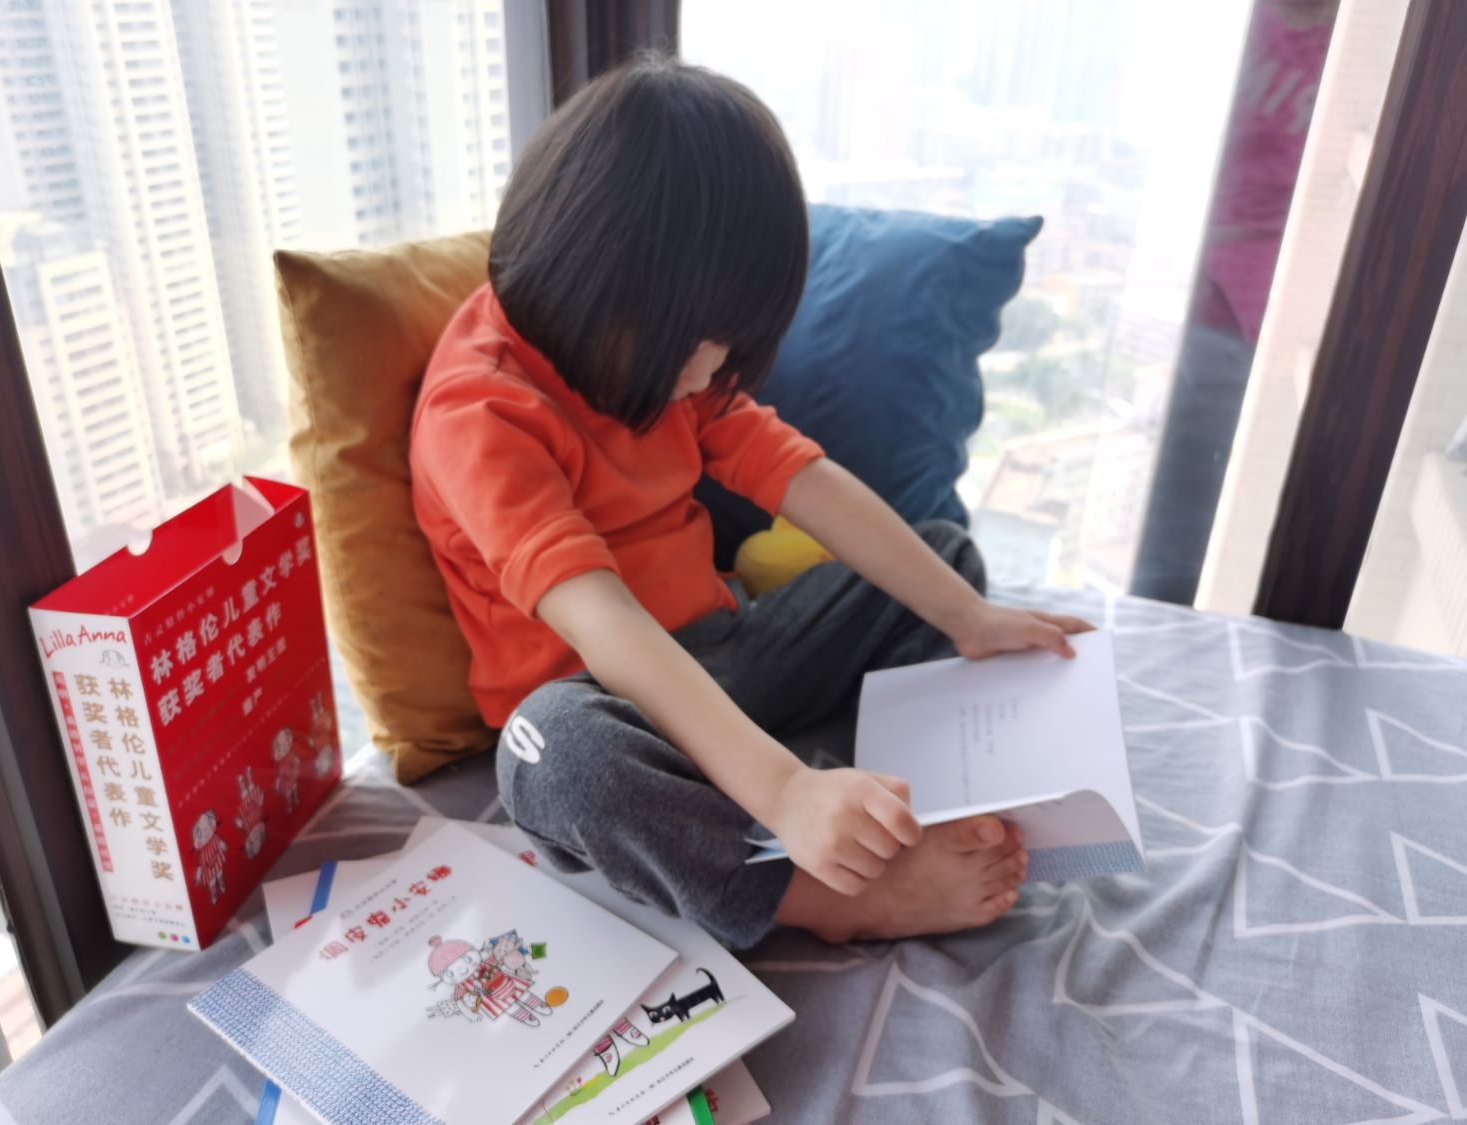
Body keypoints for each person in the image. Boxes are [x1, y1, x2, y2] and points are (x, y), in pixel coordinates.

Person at [411, 54, 1093, 950]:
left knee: (941, 557)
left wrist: (969, 618)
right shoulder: (481, 412)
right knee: (550, 755)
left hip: (727, 656)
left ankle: (908, 793)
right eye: (704, 345)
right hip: (607, 706)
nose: (713, 374)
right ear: (615, 286)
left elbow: (802, 477)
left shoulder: (657, 355)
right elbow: (605, 623)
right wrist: (783, 790)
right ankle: (807, 892)